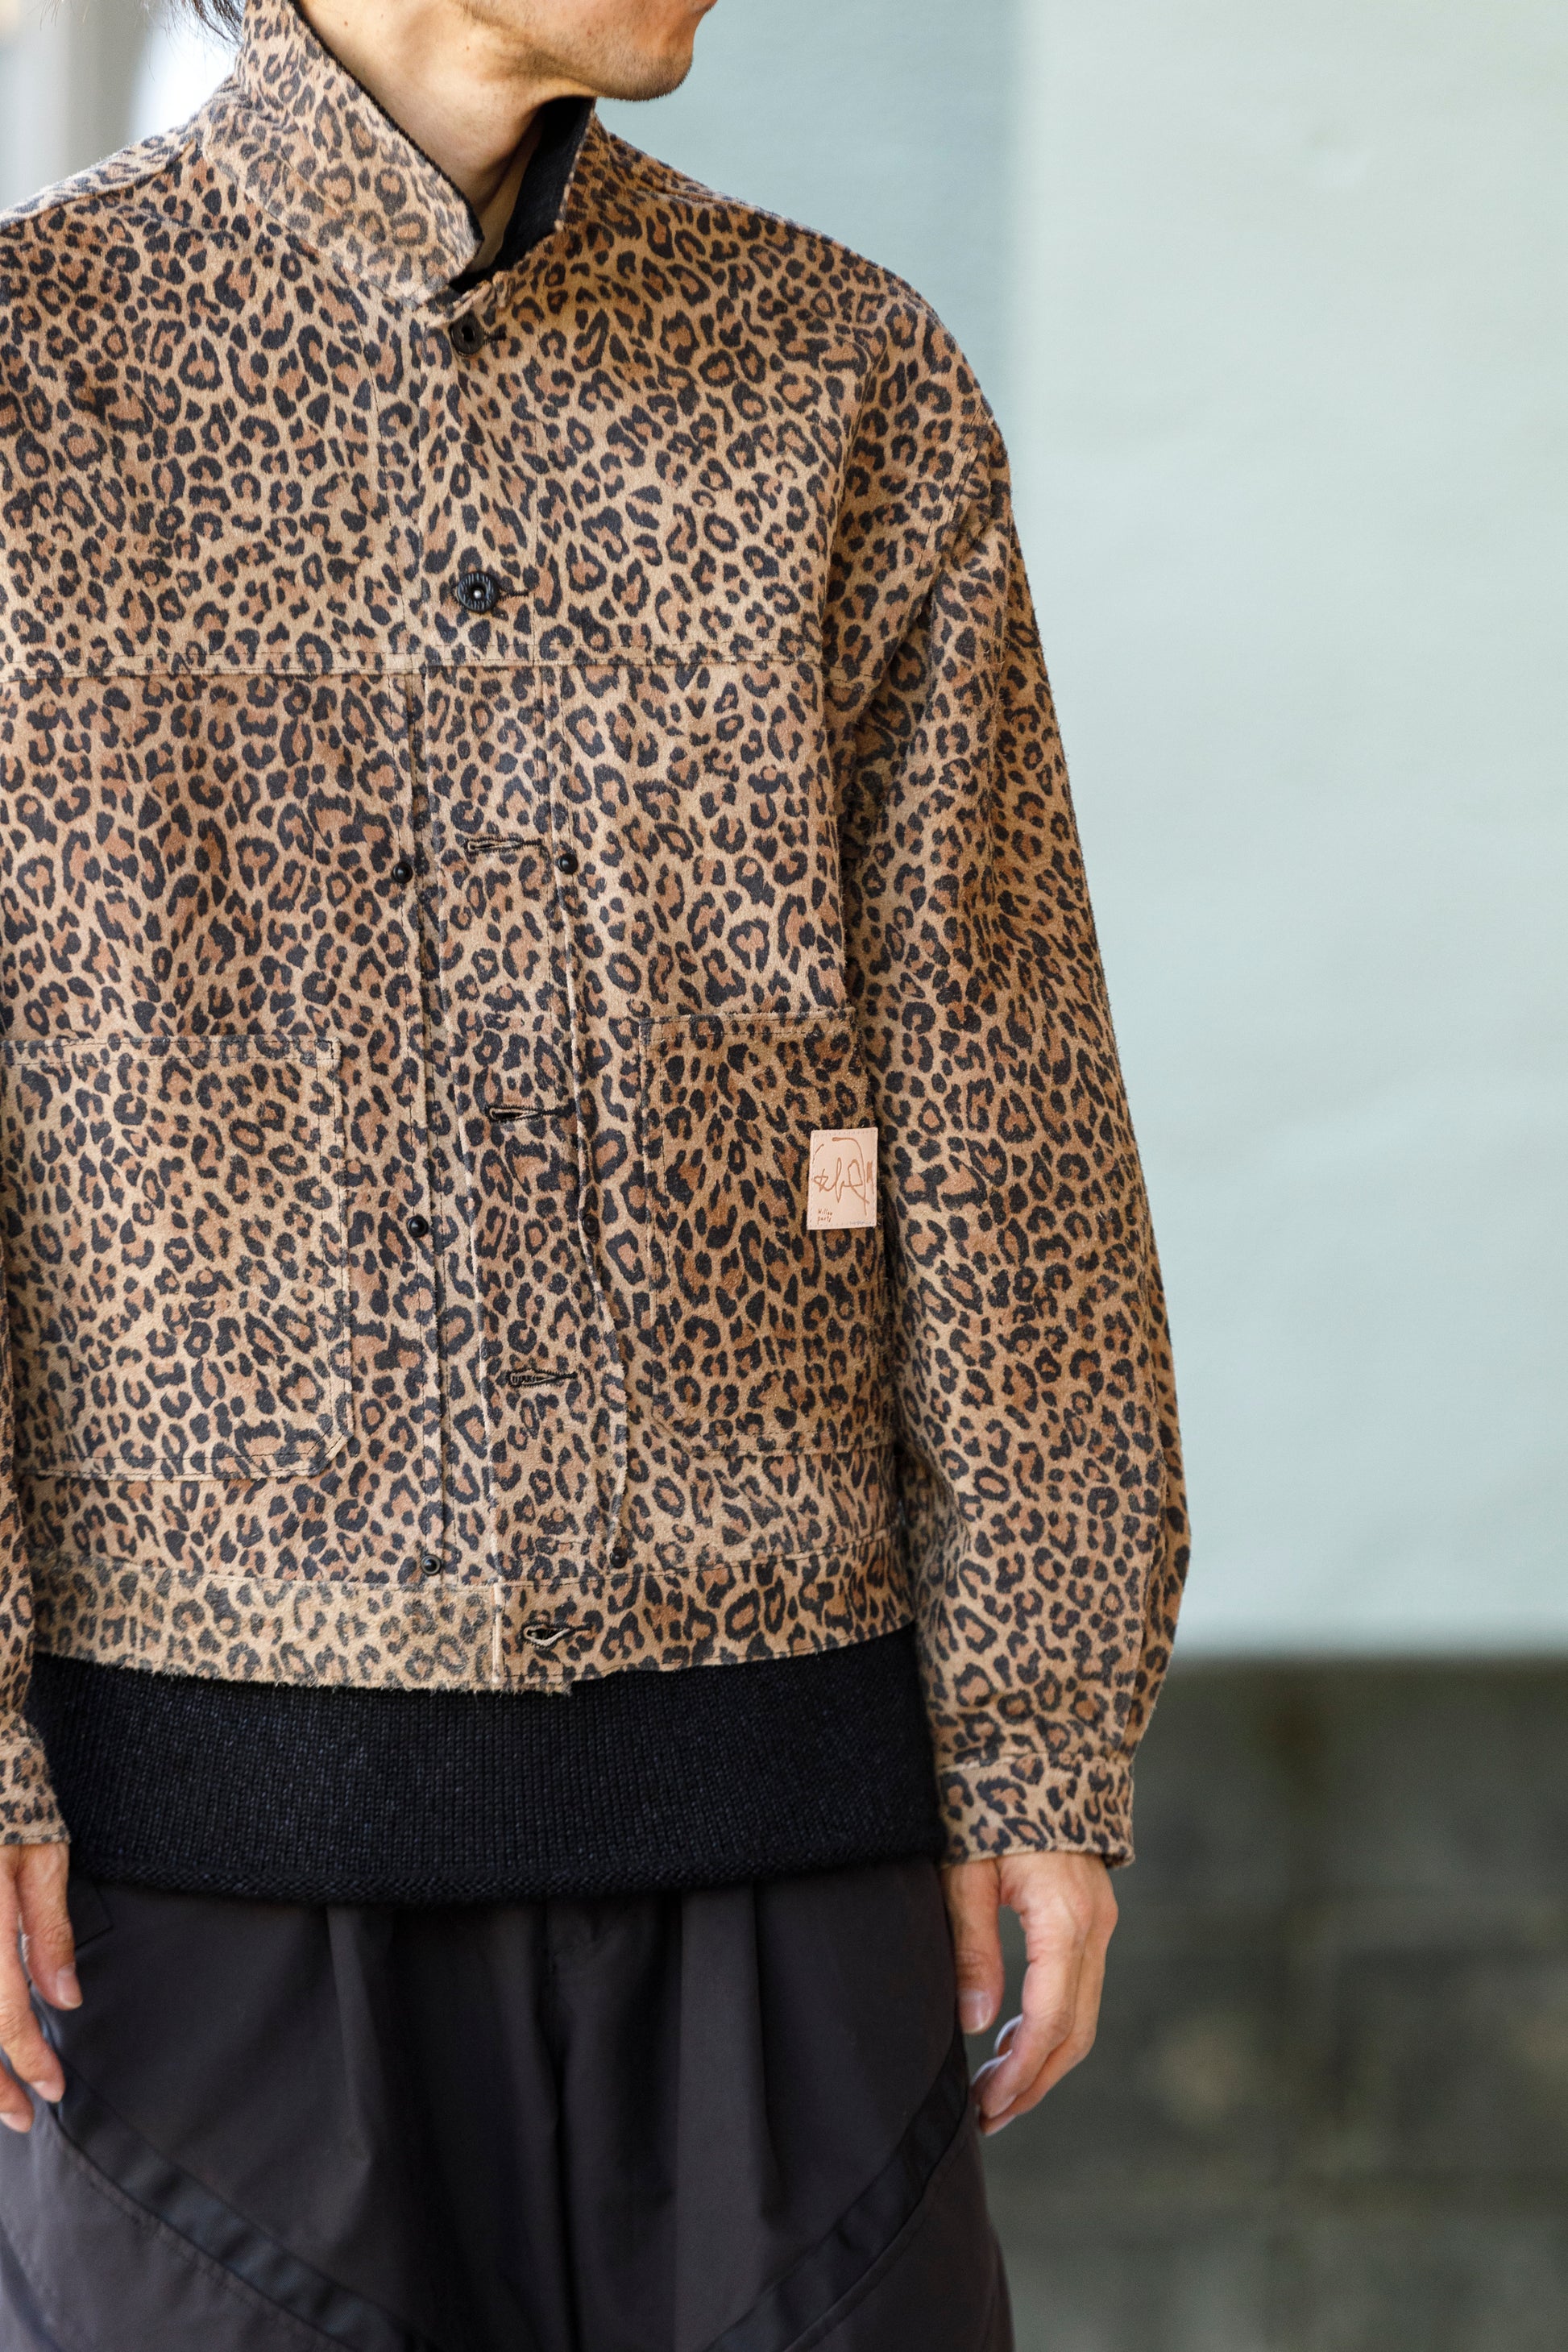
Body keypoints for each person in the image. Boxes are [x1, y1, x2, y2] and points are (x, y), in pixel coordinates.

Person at [0, 0, 1188, 2342]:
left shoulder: (839, 381)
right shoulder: (38, 384)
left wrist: (1041, 1730)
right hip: (179, 1904)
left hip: (788, 1862)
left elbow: (1007, 1095)